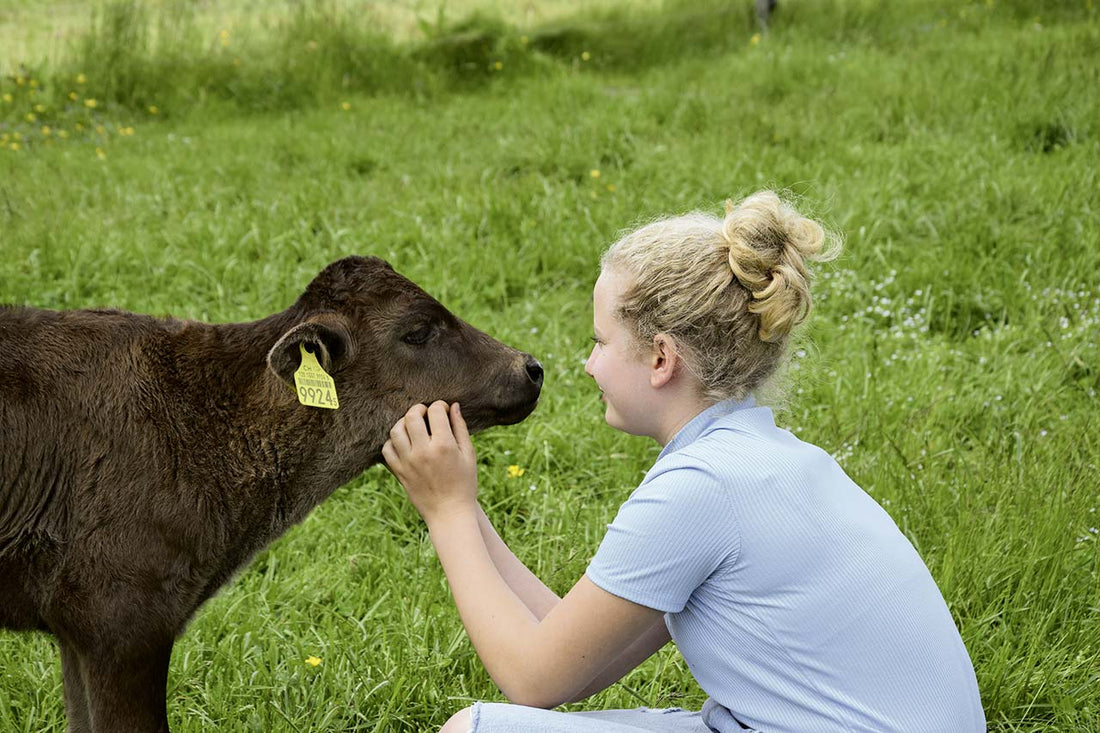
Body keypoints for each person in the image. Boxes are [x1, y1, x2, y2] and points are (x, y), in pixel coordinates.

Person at [382, 191, 986, 733]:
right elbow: (573, 651)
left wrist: (448, 510)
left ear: (662, 358)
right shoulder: (767, 463)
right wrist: (462, 502)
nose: (588, 365)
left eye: (599, 341)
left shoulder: (702, 489)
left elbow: (534, 679)